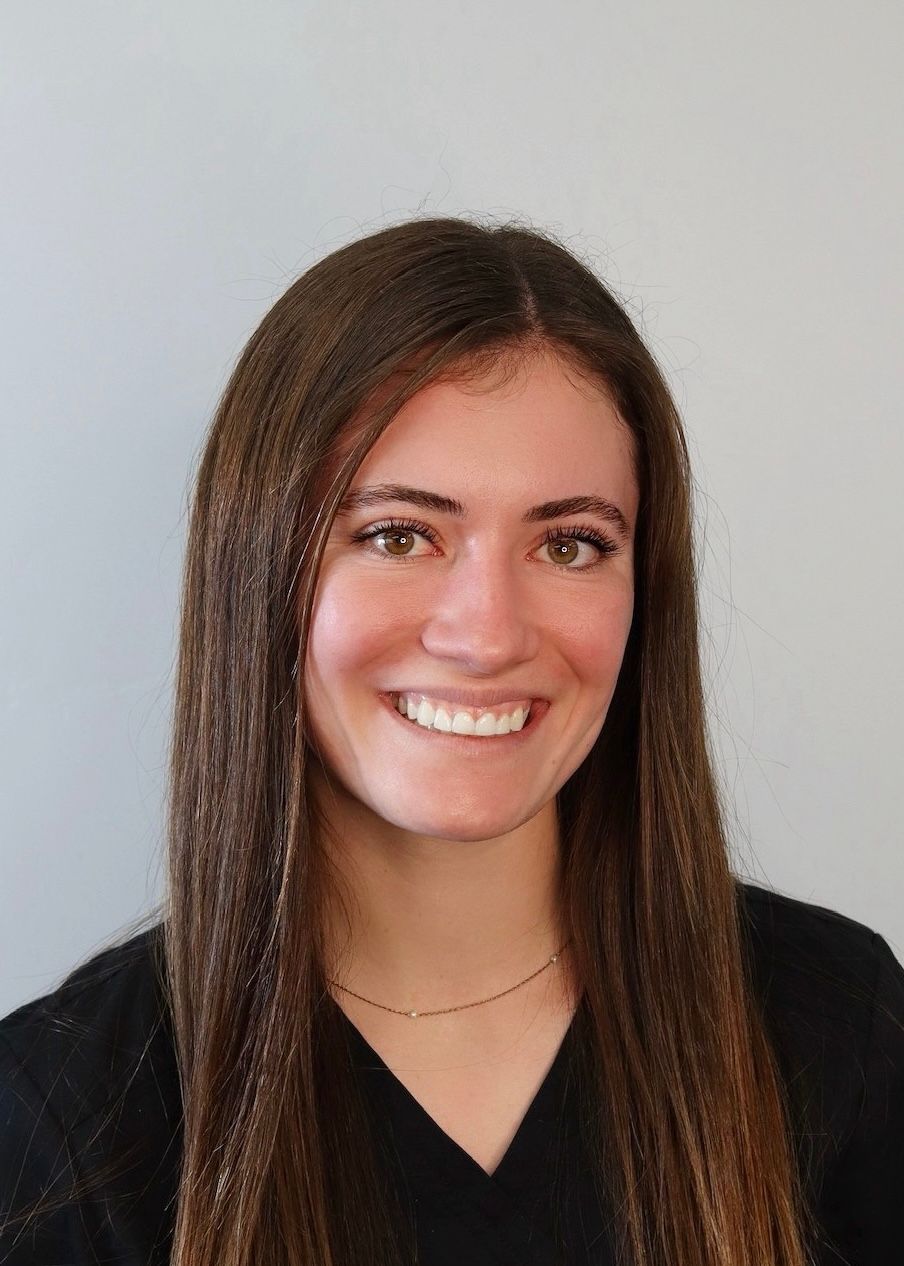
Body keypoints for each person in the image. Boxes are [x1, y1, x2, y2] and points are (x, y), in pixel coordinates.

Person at [1, 216, 902, 1266]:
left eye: (569, 544)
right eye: (396, 535)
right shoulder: (61, 1127)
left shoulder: (830, 1026)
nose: (486, 633)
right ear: (258, 572)